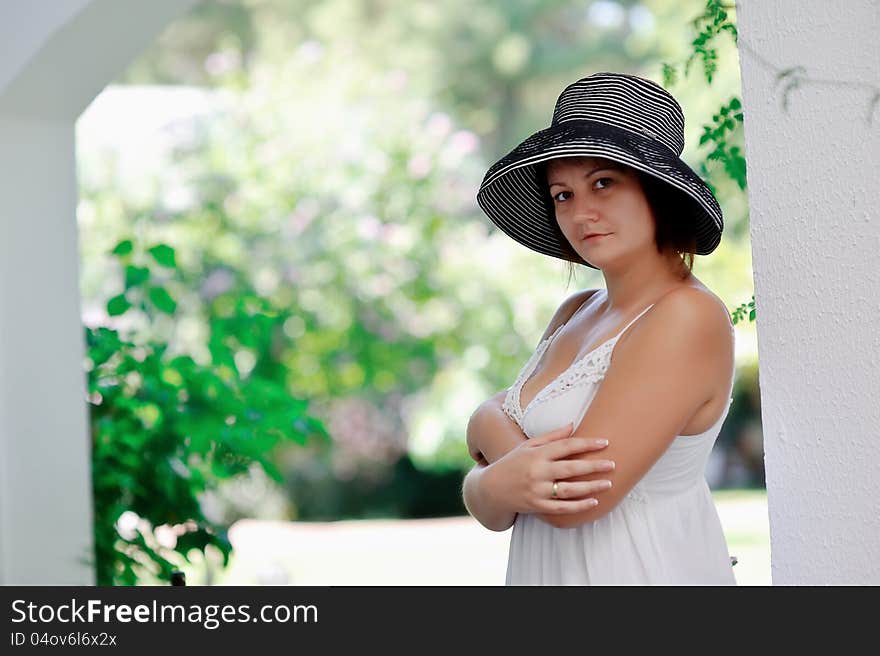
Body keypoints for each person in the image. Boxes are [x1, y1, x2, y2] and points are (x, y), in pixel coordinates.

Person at [461, 71, 737, 585]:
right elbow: (499, 509)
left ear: (658, 193)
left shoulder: (686, 315)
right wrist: (489, 482)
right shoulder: (575, 309)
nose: (580, 212)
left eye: (603, 183)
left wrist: (485, 435)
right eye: (562, 194)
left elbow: (575, 498)